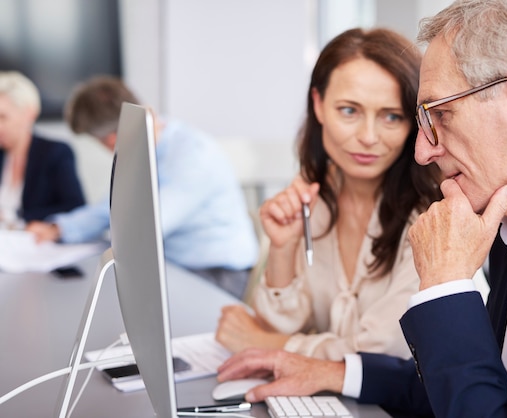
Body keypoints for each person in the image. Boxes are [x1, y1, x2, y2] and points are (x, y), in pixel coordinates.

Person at [214, 0, 507, 416]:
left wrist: (446, 283)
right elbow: (474, 386)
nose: (422, 150)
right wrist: (339, 373)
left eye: (441, 114)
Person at [215, 27, 456, 362]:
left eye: (391, 116)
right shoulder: (313, 192)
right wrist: (283, 249)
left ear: (413, 123)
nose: (368, 137)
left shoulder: (433, 216)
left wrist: (271, 345)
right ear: (318, 104)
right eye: (349, 111)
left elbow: (387, 352)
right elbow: (277, 324)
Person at [26, 76, 259, 299]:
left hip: (216, 274)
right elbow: (111, 208)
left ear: (111, 138)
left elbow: (147, 227)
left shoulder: (192, 155)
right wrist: (60, 228)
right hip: (174, 265)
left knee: (114, 302)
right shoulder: (141, 149)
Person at [0, 71, 85, 227]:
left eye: (3, 117)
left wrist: (12, 216)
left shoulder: (56, 152)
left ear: (29, 113)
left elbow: (75, 208)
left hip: (34, 244)